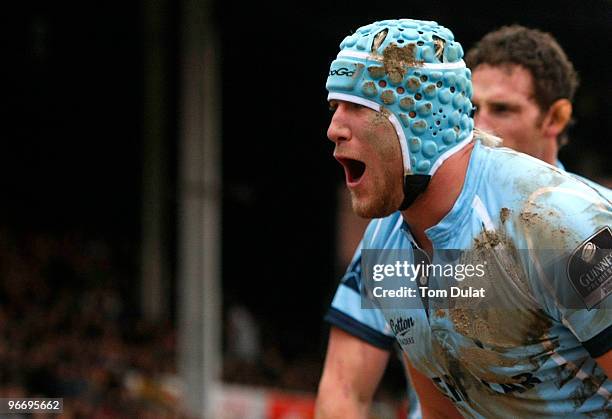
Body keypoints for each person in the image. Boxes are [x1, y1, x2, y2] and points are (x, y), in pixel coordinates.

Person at [316, 18, 611, 418]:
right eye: (335, 107)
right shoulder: (385, 246)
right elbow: (442, 407)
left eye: (358, 105)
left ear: (420, 116)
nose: (334, 128)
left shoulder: (557, 220)